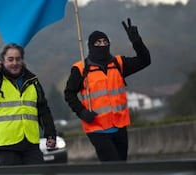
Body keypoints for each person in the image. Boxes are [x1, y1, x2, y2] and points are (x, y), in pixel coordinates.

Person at [64, 18, 151, 162]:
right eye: (98, 43)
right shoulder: (80, 69)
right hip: (96, 127)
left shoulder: (118, 64)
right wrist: (81, 112)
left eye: (105, 42)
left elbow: (145, 60)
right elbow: (69, 93)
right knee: (113, 163)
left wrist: (137, 41)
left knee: (121, 165)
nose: (102, 45)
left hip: (120, 125)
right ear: (91, 46)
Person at [0, 43, 57, 166]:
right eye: (10, 59)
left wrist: (50, 134)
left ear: (22, 60)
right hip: (6, 144)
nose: (14, 63)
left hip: (30, 142)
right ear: (3, 61)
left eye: (18, 59)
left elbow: (43, 110)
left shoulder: (33, 82)